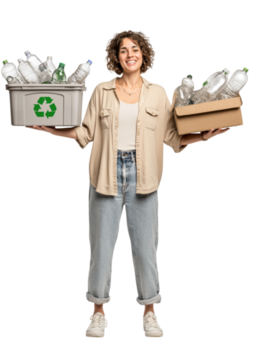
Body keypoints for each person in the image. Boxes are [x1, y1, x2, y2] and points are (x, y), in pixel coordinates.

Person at [25, 29, 232, 338]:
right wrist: (51, 130)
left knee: (147, 248)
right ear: (116, 57)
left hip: (145, 176)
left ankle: (150, 312)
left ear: (144, 54)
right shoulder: (101, 92)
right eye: (123, 50)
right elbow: (84, 134)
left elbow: (173, 139)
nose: (130, 54)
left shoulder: (160, 93)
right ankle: (98, 313)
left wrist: (204, 135)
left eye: (135, 49)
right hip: (104, 174)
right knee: (101, 247)